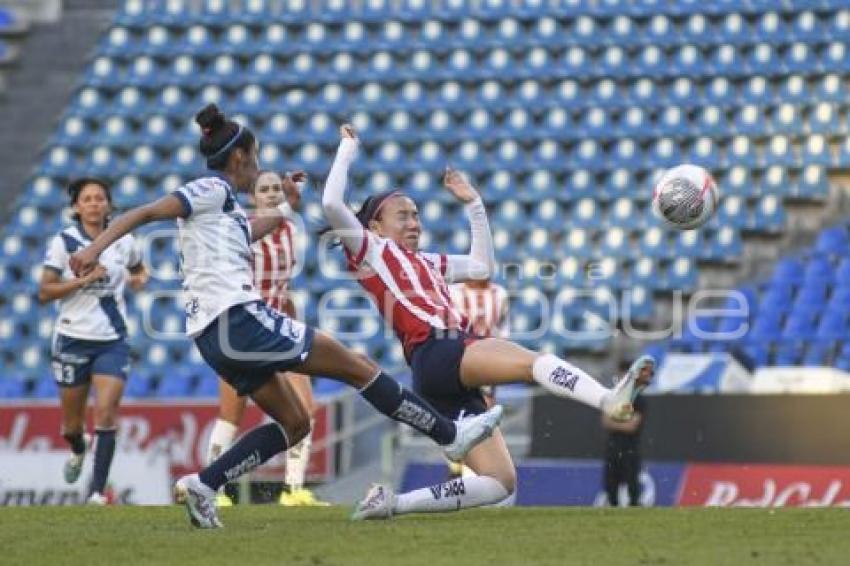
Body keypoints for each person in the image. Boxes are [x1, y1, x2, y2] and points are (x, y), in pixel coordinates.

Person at [68, 104, 503, 528]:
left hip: (213, 337)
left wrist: (286, 207)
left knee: (295, 423)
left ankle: (205, 484)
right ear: (239, 157)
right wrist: (93, 249)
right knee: (357, 366)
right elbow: (146, 212)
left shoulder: (225, 211)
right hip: (237, 319)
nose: (258, 169)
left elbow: (254, 228)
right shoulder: (212, 189)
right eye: (255, 159)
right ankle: (450, 435)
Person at [319, 125, 655, 520]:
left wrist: (474, 204)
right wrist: (348, 147)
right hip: (442, 348)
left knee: (499, 481)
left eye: (416, 215)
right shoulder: (371, 250)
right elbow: (330, 202)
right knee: (534, 362)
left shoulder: (428, 262)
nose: (414, 222)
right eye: (402, 215)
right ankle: (607, 399)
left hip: (434, 372)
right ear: (374, 226)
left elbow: (482, 266)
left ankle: (393, 503)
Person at [207, 169, 328, 507]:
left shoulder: (290, 231)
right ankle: (212, 489)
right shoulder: (242, 229)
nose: (273, 194)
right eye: (266, 189)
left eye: (277, 188)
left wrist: (290, 314)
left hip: (277, 329)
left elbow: (281, 288)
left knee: (306, 407)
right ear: (252, 197)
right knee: (231, 415)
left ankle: (293, 490)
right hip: (242, 332)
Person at [38, 177, 148, 504]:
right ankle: (78, 447)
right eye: (86, 199)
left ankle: (98, 493)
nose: (94, 203)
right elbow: (45, 292)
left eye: (100, 198)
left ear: (109, 204)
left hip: (112, 339)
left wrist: (139, 279)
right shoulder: (64, 241)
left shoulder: (124, 240)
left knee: (106, 412)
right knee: (71, 427)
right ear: (76, 206)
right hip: (72, 338)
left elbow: (139, 269)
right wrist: (83, 280)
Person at [445, 278, 509, 478]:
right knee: (457, 411)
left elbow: (503, 332)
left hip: (488, 359)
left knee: (484, 410)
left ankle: (481, 468)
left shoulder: (500, 294)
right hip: (460, 356)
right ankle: (458, 466)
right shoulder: (453, 291)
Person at [602, 391, 647, 507]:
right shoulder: (612, 396)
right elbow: (606, 422)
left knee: (632, 483)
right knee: (610, 484)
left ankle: (634, 506)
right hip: (613, 448)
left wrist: (615, 423)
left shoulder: (637, 398)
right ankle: (613, 508)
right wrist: (624, 424)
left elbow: (632, 426)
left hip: (630, 448)